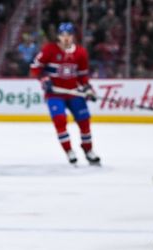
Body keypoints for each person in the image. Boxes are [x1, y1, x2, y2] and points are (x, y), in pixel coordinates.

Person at [30, 22, 100, 165]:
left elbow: (82, 75)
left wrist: (87, 88)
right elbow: (35, 68)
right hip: (55, 94)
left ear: (73, 36)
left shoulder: (80, 52)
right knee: (60, 120)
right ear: (59, 36)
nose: (66, 38)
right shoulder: (49, 50)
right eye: (63, 35)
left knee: (84, 122)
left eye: (69, 35)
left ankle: (88, 150)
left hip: (74, 93)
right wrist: (44, 79)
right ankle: (69, 150)